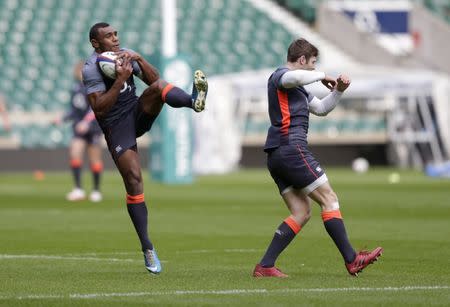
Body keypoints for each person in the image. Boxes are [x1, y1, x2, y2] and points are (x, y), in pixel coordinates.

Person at [82, 22, 208, 274]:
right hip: (116, 125)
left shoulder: (125, 54)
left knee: (159, 88)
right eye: (108, 36)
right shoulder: (91, 69)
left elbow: (154, 79)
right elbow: (100, 108)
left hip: (137, 111)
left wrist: (138, 58)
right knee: (134, 180)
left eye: (116, 34)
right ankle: (148, 247)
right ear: (96, 43)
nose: (115, 39)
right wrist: (120, 80)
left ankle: (193, 101)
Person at [253, 38, 382, 278]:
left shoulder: (298, 87)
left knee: (301, 211)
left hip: (278, 153)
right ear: (302, 60)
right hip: (291, 148)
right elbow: (292, 76)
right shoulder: (281, 76)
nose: (313, 68)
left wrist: (338, 91)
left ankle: (265, 266)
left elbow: (321, 108)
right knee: (330, 199)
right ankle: (352, 259)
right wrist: (322, 74)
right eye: (312, 63)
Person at [56, 61, 104, 202]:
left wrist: (86, 122)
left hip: (93, 127)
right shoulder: (75, 88)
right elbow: (74, 110)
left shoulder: (95, 87)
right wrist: (62, 118)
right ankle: (78, 189)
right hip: (79, 128)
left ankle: (96, 190)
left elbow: (96, 107)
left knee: (94, 158)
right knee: (75, 154)